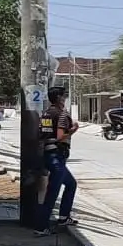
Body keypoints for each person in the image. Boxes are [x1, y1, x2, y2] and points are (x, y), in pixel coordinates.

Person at [35, 87, 79, 237]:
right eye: (64, 95)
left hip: (48, 154)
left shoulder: (46, 113)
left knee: (71, 184)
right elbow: (60, 136)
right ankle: (41, 227)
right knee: (52, 193)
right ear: (59, 98)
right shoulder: (61, 114)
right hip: (56, 156)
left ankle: (63, 217)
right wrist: (73, 129)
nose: (65, 98)